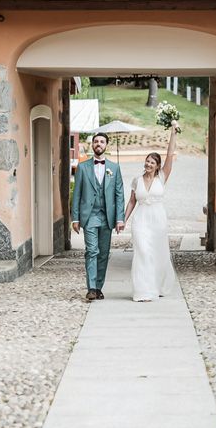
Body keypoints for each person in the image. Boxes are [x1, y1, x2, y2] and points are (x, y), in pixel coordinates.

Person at [124, 121, 179, 302]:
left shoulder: (162, 177)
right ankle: (143, 290)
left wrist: (173, 131)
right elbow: (132, 202)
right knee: (142, 253)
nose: (148, 164)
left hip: (158, 220)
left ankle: (158, 285)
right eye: (147, 161)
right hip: (140, 220)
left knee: (158, 253)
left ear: (157, 166)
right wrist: (123, 220)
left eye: (152, 162)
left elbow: (170, 154)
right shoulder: (136, 180)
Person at [71, 132, 125, 301]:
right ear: (92, 145)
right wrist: (76, 218)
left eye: (102, 141)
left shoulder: (114, 168)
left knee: (103, 253)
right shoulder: (83, 167)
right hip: (90, 216)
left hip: (107, 217)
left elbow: (119, 194)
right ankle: (92, 288)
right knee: (92, 251)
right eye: (96, 141)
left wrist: (119, 218)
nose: (98, 144)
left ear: (106, 145)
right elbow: (77, 194)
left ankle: (99, 287)